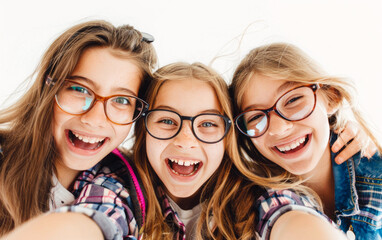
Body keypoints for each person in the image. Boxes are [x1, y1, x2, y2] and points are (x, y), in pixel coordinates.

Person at [0, 19, 157, 237]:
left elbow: (97, 221)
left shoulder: (117, 184)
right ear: (48, 87)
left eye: (121, 100)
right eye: (79, 89)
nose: (94, 119)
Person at [230, 42, 382, 239]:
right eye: (255, 117)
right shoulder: (271, 205)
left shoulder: (373, 167)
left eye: (293, 100)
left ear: (331, 97)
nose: (279, 129)